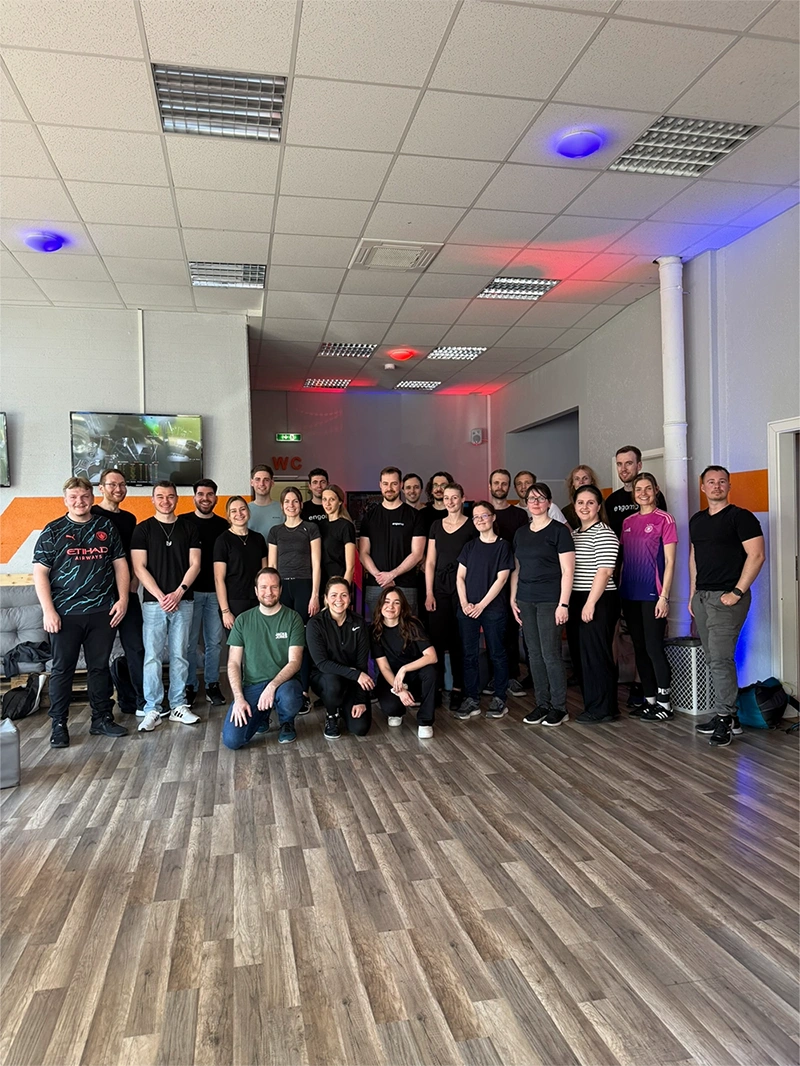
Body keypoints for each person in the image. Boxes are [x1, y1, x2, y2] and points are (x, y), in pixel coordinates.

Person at [33, 476, 130, 748]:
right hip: (65, 614)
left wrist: (123, 599)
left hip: (102, 612)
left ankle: (101, 719)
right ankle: (58, 725)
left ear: (92, 498)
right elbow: (40, 573)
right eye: (74, 497)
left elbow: (120, 565)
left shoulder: (105, 527)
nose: (80, 502)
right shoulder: (53, 531)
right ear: (65, 500)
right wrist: (48, 611)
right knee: (62, 670)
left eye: (85, 496)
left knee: (99, 667)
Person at [690, 465, 765, 747]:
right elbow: (695, 556)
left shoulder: (741, 517)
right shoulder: (697, 520)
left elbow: (757, 555)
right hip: (703, 598)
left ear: (729, 486)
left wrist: (737, 592)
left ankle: (724, 717)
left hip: (727, 598)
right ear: (703, 487)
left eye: (722, 481)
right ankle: (729, 717)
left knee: (721, 659)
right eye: (711, 482)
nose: (716, 486)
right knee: (713, 659)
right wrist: (693, 594)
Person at [131, 481, 201, 731]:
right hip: (153, 603)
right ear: (152, 499)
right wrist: (162, 596)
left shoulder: (189, 528)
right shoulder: (143, 529)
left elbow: (195, 564)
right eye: (160, 496)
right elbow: (139, 567)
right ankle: (153, 708)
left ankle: (178, 705)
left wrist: (178, 592)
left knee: (180, 654)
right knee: (152, 657)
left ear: (177, 499)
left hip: (184, 601)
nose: (165, 501)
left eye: (170, 496)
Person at [510, 483, 575, 728]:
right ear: (526, 503)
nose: (535, 502)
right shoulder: (520, 533)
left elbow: (568, 571)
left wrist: (563, 604)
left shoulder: (559, 531)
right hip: (525, 599)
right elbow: (517, 568)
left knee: (550, 654)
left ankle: (559, 707)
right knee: (534, 655)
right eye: (531, 498)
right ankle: (542, 703)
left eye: (540, 498)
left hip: (550, 600)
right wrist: (513, 598)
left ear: (549, 502)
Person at [221, 568, 304, 748]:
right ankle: (261, 715)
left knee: (289, 697)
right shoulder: (243, 620)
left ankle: (286, 721)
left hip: (284, 683)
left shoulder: (293, 618)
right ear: (256, 591)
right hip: (253, 685)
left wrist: (272, 686)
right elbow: (233, 663)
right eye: (264, 587)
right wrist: (239, 698)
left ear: (280, 590)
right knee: (232, 740)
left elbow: (295, 662)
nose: (269, 592)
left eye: (274, 587)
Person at [619, 473, 678, 721]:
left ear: (656, 490)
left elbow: (670, 561)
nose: (643, 493)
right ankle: (650, 700)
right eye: (638, 489)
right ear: (634, 494)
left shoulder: (665, 519)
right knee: (640, 648)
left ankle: (665, 704)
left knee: (654, 648)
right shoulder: (627, 522)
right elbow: (624, 559)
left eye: (648, 488)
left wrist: (664, 596)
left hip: (653, 594)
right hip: (630, 594)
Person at [454, 501, 515, 721]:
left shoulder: (503, 546)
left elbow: (502, 579)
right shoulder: (469, 546)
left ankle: (500, 698)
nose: (480, 520)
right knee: (468, 655)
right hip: (468, 609)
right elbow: (460, 577)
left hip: (493, 609)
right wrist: (464, 603)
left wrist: (481, 605)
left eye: (484, 515)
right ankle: (471, 699)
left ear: (493, 517)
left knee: (497, 653)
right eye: (476, 517)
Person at [91, 468, 145, 716]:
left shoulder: (129, 519)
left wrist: (134, 582)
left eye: (122, 485)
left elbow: (133, 555)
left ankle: (142, 702)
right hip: (99, 597)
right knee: (99, 654)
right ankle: (102, 711)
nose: (118, 489)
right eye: (112, 484)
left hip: (127, 593)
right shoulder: (91, 515)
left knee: (136, 648)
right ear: (101, 488)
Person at [566, 485, 620, 724]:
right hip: (578, 598)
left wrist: (590, 603)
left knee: (596, 655)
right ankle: (597, 705)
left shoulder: (604, 533)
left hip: (599, 599)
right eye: (580, 502)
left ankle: (603, 709)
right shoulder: (576, 534)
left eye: (590, 502)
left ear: (599, 506)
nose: (585, 507)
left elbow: (605, 571)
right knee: (582, 655)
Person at [267, 486, 321, 712]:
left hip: (304, 587)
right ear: (282, 506)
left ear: (301, 504)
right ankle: (282, 689)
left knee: (302, 641)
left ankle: (304, 692)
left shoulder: (311, 528)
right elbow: (271, 565)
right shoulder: (275, 531)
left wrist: (315, 595)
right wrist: (271, 594)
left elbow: (316, 564)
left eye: (295, 501)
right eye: (287, 502)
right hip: (282, 588)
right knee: (282, 640)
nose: (291, 505)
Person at [424, 481, 476, 712]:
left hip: (463, 588)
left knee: (459, 641)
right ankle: (434, 688)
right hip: (439, 588)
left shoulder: (472, 525)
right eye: (446, 498)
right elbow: (430, 561)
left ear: (463, 498)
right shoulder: (436, 525)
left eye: (455, 497)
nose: (450, 501)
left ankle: (458, 688)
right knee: (436, 640)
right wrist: (429, 592)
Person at [306, 577, 374, 740]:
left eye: (344, 595)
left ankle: (343, 705)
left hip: (352, 681)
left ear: (349, 598)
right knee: (333, 682)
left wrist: (360, 699)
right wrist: (356, 674)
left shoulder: (359, 623)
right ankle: (331, 715)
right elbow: (322, 664)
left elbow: (361, 664)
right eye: (334, 595)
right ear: (326, 598)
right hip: (325, 679)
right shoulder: (315, 624)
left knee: (360, 728)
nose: (339, 600)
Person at [183, 479, 228, 707]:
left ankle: (212, 684)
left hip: (215, 594)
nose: (205, 499)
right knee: (189, 644)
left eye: (209, 494)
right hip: (189, 595)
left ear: (215, 498)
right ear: (194, 497)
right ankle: (190, 685)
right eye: (200, 494)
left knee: (214, 643)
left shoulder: (223, 525)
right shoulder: (183, 522)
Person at [358, 466, 426, 618]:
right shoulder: (369, 517)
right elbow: (363, 553)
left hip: (406, 586)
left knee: (407, 628)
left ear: (400, 485)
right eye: (385, 484)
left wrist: (392, 575)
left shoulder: (415, 516)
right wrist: (381, 578)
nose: (389, 488)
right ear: (380, 485)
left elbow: (417, 554)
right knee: (377, 628)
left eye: (394, 484)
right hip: (376, 585)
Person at [371, 586, 437, 739]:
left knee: (430, 672)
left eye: (396, 603)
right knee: (392, 709)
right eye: (387, 602)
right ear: (380, 605)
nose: (391, 607)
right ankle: (398, 709)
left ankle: (425, 721)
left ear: (402, 607)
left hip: (414, 673)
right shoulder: (374, 631)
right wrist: (400, 690)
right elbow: (384, 667)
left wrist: (404, 669)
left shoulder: (412, 625)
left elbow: (432, 656)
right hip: (391, 677)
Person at [487, 468, 528, 698]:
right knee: (491, 630)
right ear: (490, 486)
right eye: (496, 483)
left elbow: (521, 549)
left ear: (509, 487)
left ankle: (512, 676)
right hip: (487, 579)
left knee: (511, 629)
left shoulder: (519, 515)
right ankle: (494, 676)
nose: (500, 487)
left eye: (504, 483)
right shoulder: (482, 512)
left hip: (513, 578)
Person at [214, 496, 268, 624]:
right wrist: (225, 611)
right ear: (228, 516)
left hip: (257, 599)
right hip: (234, 602)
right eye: (233, 511)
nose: (239, 514)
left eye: (242, 509)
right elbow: (218, 579)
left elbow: (265, 573)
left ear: (248, 512)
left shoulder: (258, 538)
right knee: (237, 638)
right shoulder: (223, 540)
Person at [605, 446, 667, 539]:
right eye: (619, 464)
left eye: (628, 463)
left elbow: (663, 529)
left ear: (639, 466)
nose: (623, 469)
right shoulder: (611, 500)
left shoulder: (652, 496)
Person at [319, 484, 356, 587]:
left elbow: (350, 567)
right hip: (322, 582)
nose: (327, 503)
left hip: (339, 581)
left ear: (340, 502)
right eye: (324, 499)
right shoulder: (320, 525)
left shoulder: (346, 526)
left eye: (332, 499)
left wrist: (344, 589)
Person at [246, 464, 284, 540]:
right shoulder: (244, 510)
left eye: (266, 480)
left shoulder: (283, 508)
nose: (261, 484)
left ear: (272, 483)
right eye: (258, 479)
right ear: (251, 482)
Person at [563, 465, 599, 530]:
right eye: (577, 479)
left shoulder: (604, 504)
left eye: (585, 478)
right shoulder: (566, 512)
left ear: (592, 481)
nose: (581, 482)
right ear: (573, 483)